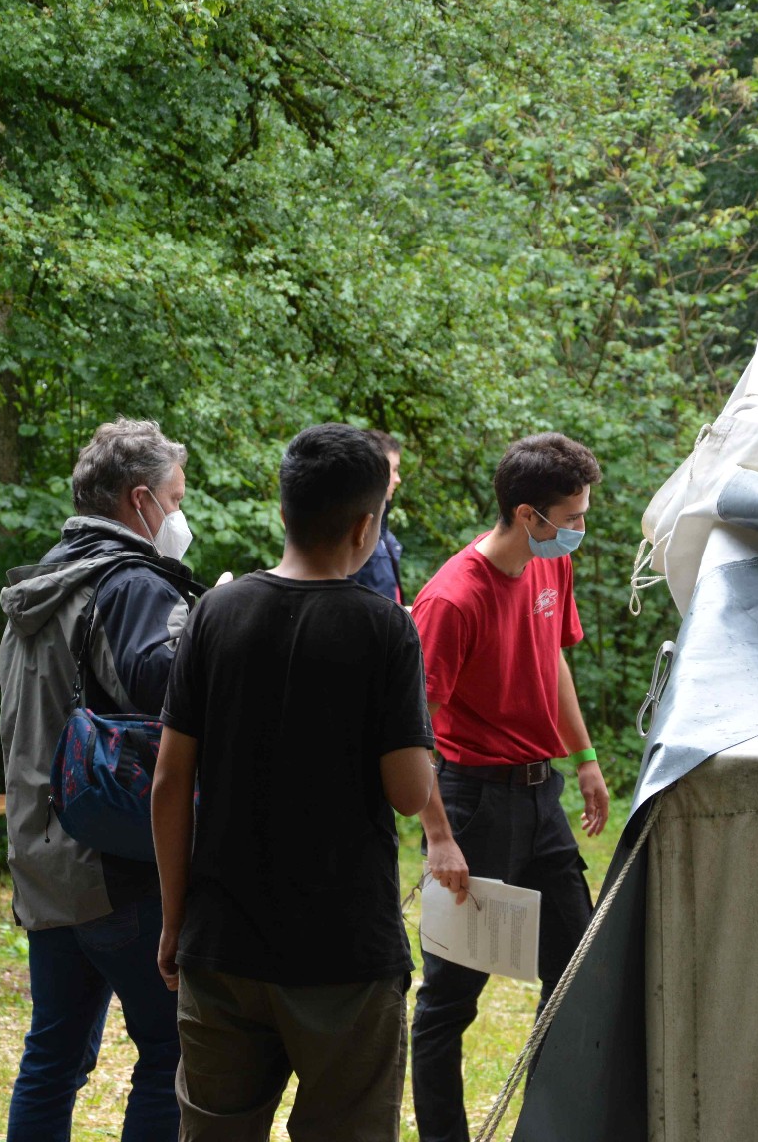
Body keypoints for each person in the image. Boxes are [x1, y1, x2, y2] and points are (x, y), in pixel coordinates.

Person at [152, 423, 436, 1141]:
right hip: (345, 953)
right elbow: (409, 792)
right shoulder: (385, 629)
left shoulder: (215, 613)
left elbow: (168, 782)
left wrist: (175, 920)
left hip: (223, 944)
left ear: (283, 510)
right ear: (367, 525)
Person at [0, 417, 204, 1142]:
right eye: (175, 500)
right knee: (172, 1053)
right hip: (118, 862)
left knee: (52, 1058)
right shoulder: (131, 586)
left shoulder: (40, 584)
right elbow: (176, 696)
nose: (179, 517)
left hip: (43, 857)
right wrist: (213, 631)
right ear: (139, 500)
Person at [406, 432, 611, 1142]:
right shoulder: (451, 599)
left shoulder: (552, 566)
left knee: (577, 973)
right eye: (573, 517)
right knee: (449, 1001)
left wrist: (584, 757)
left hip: (540, 796)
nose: (580, 528)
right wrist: (439, 837)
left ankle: (547, 1127)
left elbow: (552, 660)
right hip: (473, 803)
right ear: (530, 516)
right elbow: (412, 732)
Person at [351, 429, 405, 603]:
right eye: (394, 470)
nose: (398, 479)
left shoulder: (384, 537)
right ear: (377, 471)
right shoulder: (353, 536)